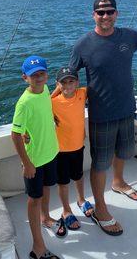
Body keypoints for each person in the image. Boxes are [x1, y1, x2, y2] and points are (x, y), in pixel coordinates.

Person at [69, 0, 137, 236]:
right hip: (101, 115)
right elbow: (68, 76)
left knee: (125, 152)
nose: (105, 16)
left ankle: (118, 182)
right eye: (100, 12)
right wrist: (50, 101)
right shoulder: (82, 44)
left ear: (116, 13)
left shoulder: (128, 36)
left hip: (128, 110)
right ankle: (100, 208)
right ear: (93, 15)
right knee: (100, 164)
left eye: (110, 11)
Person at [11, 55, 63, 259]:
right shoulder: (24, 103)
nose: (39, 77)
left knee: (47, 188)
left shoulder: (46, 90)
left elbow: (45, 106)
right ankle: (38, 246)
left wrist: (53, 116)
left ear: (47, 75)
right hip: (33, 161)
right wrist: (27, 163)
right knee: (34, 198)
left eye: (42, 73)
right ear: (25, 78)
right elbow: (15, 134)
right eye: (34, 75)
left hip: (50, 152)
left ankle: (46, 217)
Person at [51, 67, 93, 231]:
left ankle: (81, 200)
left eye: (71, 81)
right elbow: (42, 104)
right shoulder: (52, 102)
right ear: (57, 84)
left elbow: (99, 83)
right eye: (63, 82)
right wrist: (57, 90)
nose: (68, 85)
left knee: (79, 176)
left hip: (78, 147)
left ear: (77, 82)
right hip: (60, 150)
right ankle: (66, 210)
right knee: (63, 183)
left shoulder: (82, 93)